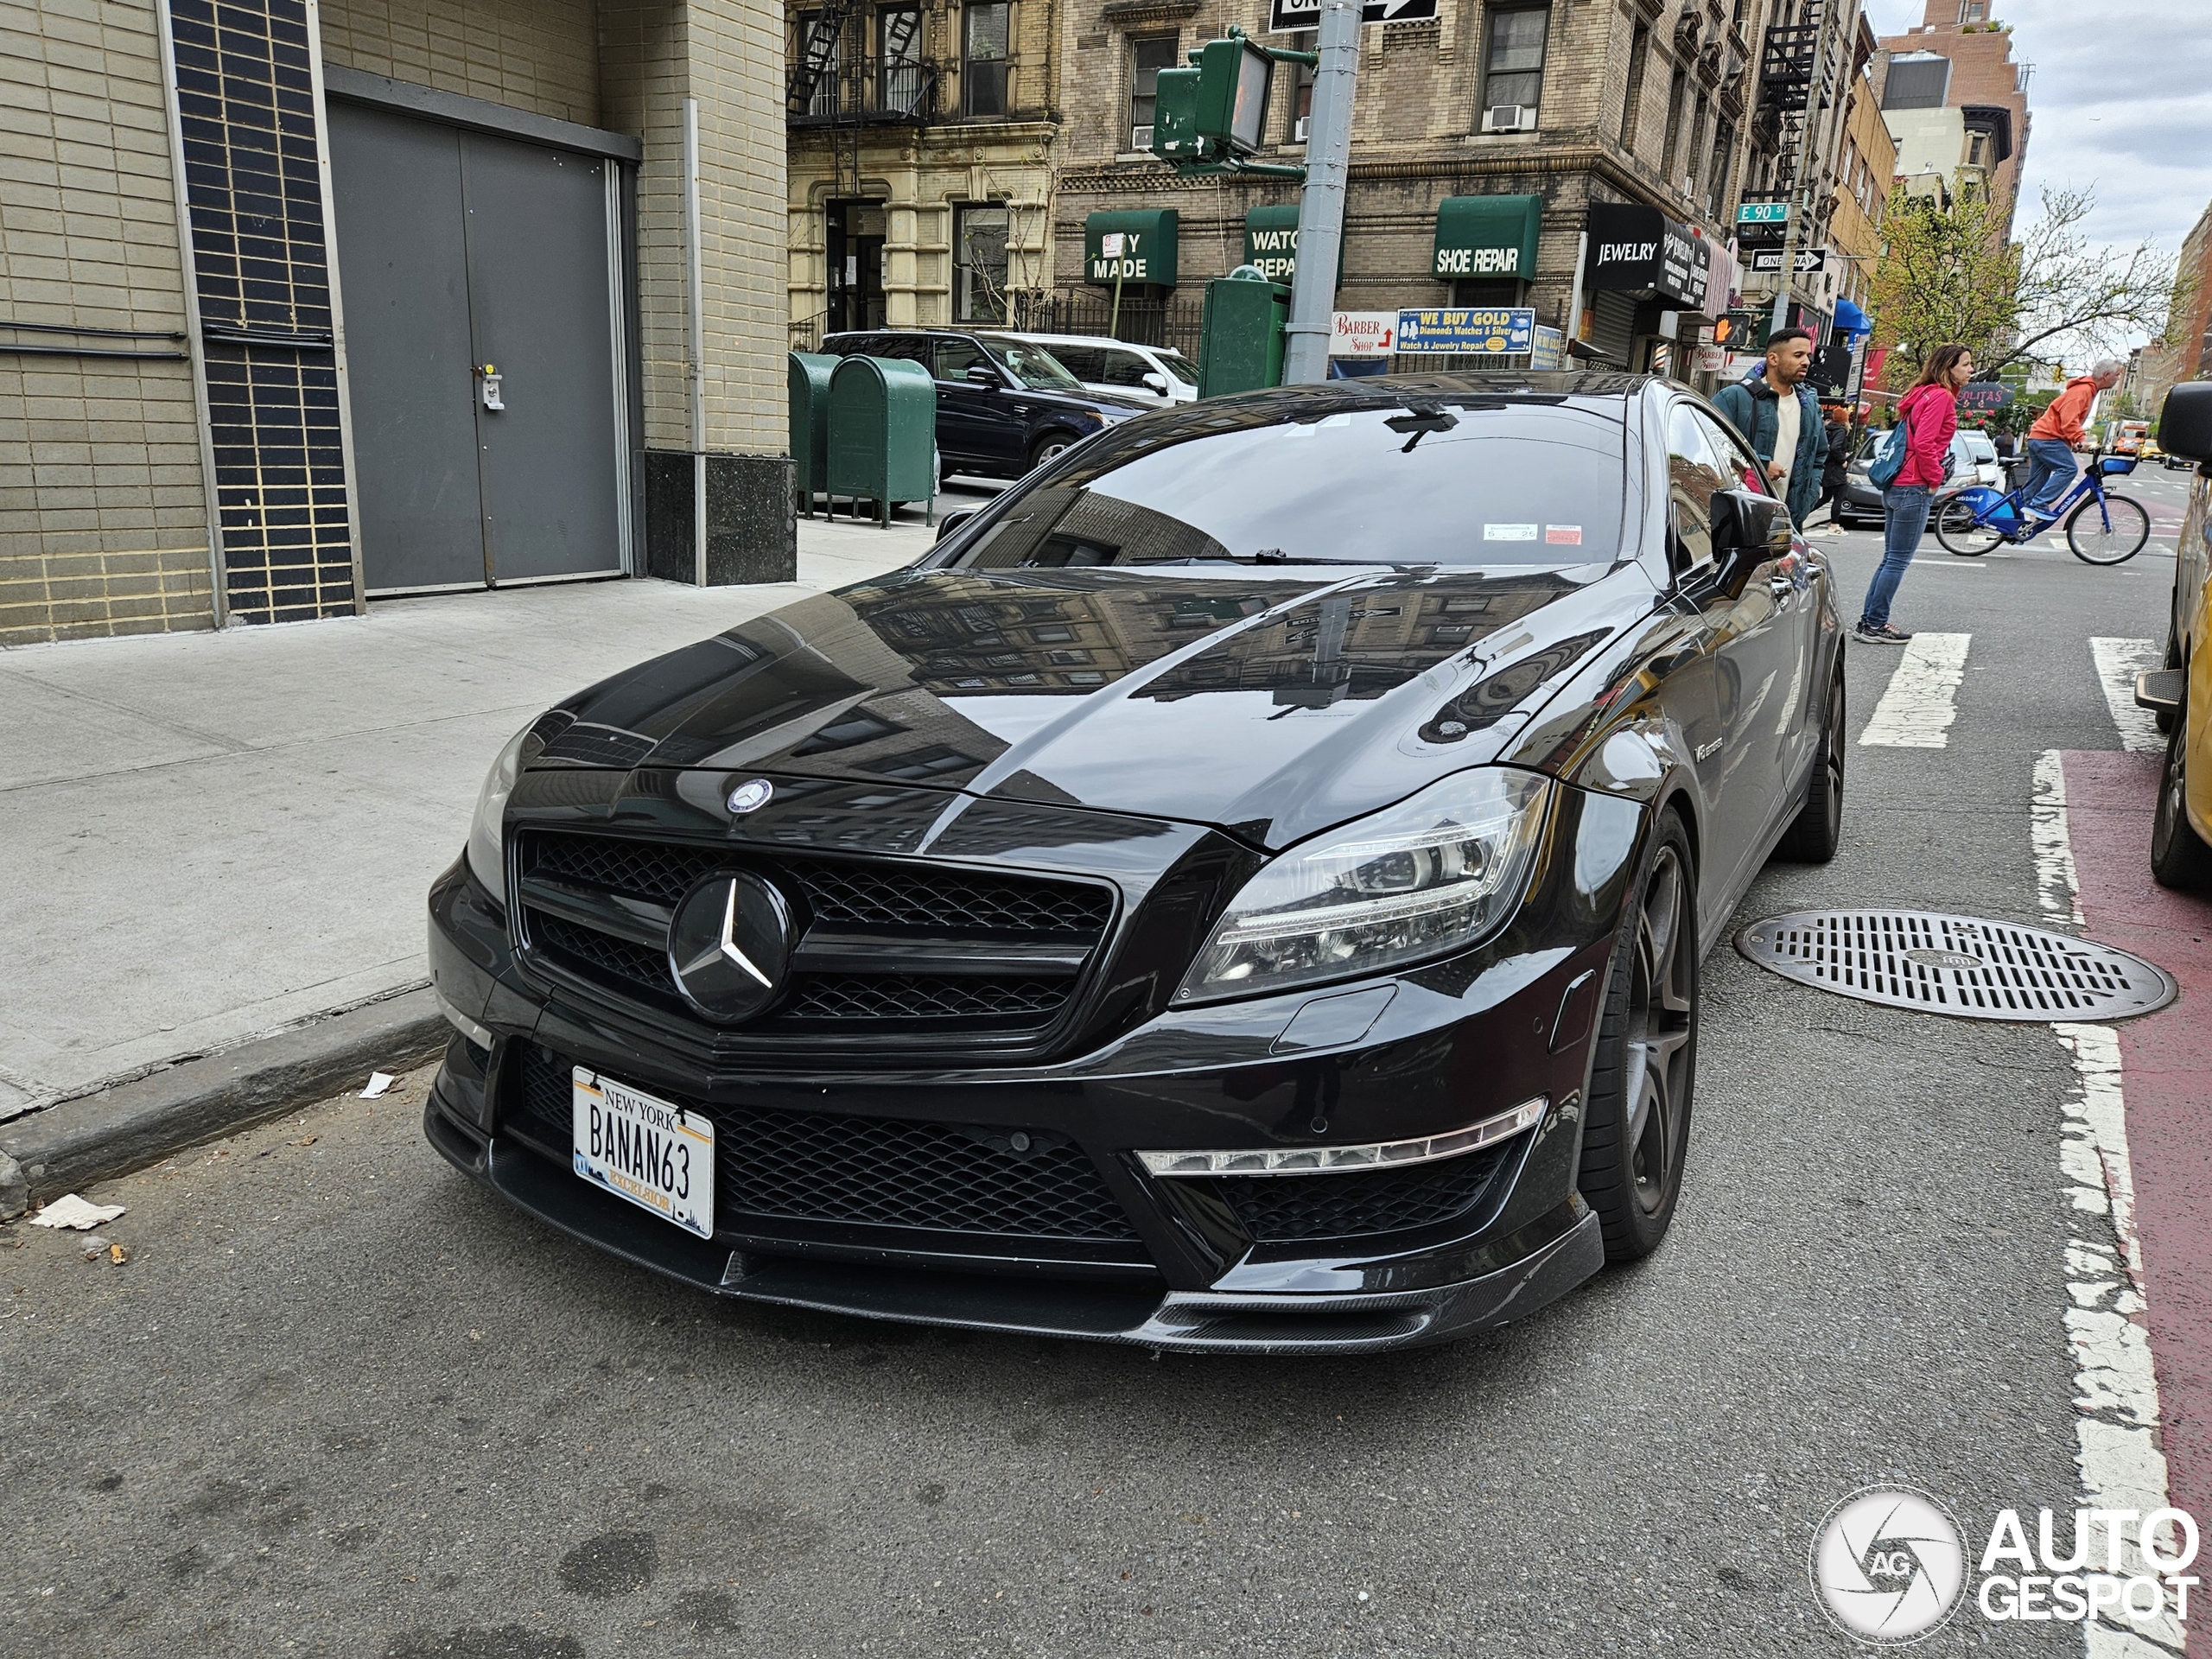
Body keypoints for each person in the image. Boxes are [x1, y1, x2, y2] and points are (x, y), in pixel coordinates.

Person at [1857, 343, 1972, 645]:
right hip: (1913, 486)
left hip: (1899, 485)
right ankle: (1875, 625)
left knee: (1890, 559)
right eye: (1966, 364)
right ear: (1948, 368)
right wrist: (1934, 480)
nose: (1971, 370)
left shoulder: (1921, 394)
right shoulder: (1940, 396)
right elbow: (1924, 443)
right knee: (1897, 561)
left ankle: (1869, 622)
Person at [1714, 328, 1827, 529]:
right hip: (1740, 517)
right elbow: (1712, 445)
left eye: (1808, 356)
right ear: (1773, 359)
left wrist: (1808, 496)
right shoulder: (1735, 397)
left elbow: (1819, 455)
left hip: (1789, 519)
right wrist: (1760, 465)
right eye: (1798, 355)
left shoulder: (1809, 407)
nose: (1806, 362)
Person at [2022, 359, 2123, 518]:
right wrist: (2081, 439)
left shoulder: (2087, 390)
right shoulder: (2083, 391)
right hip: (2048, 439)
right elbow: (2068, 420)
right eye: (2117, 375)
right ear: (2106, 375)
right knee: (2068, 469)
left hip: (2040, 437)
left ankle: (2017, 522)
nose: (2118, 378)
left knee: (2036, 483)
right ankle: (2039, 504)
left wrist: (2073, 441)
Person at [1814, 405, 1853, 535]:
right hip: (1836, 469)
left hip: (1827, 467)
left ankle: (1803, 514)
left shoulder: (1827, 430)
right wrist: (1843, 460)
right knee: (1839, 496)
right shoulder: (1840, 431)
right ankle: (1834, 525)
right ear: (1844, 419)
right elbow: (1835, 448)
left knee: (1825, 497)